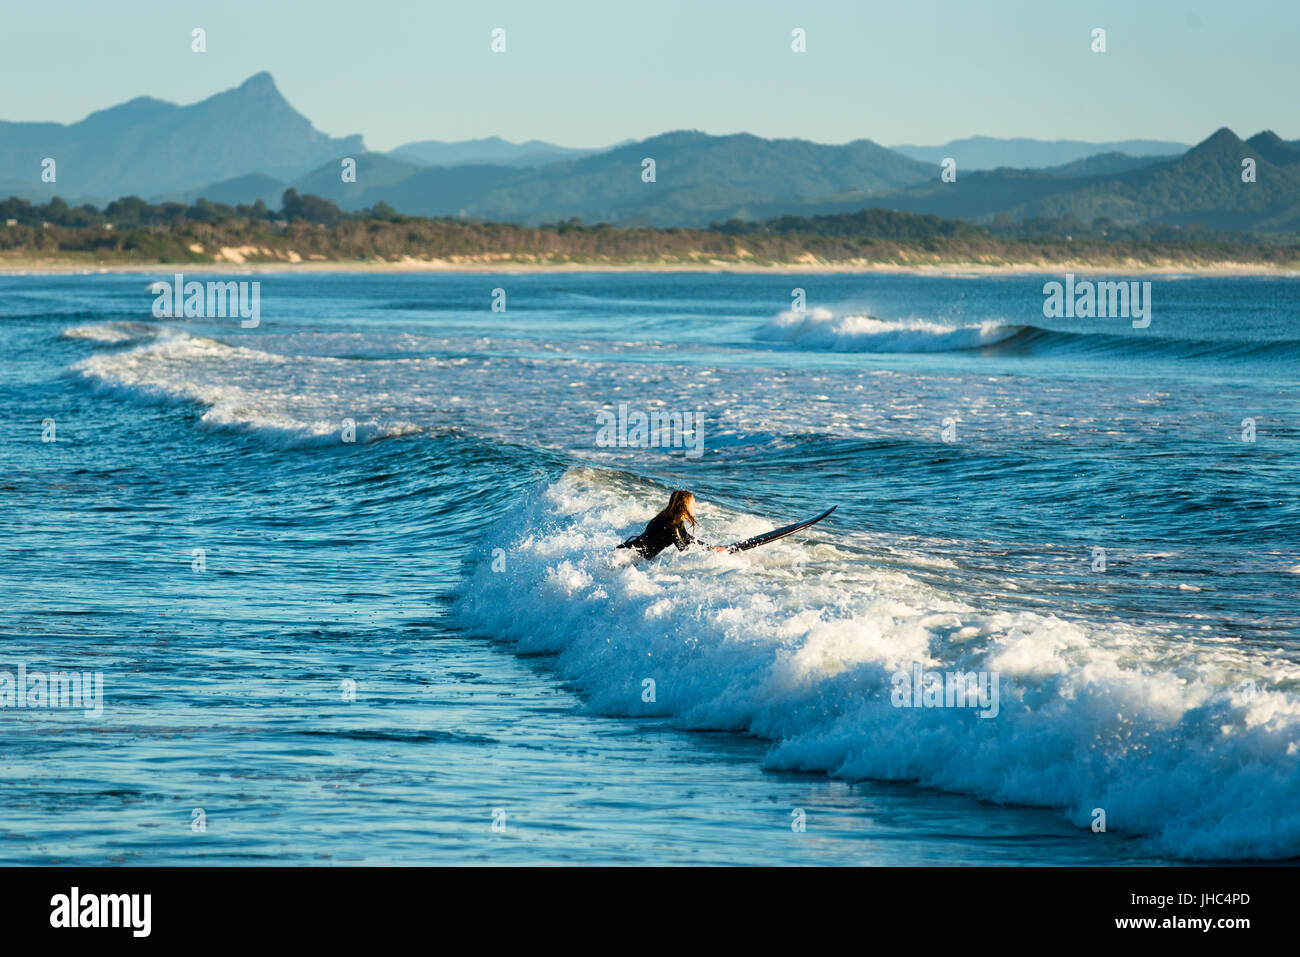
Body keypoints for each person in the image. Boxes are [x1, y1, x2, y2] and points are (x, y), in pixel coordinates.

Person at [617, 490, 726, 560]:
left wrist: (711, 548)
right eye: (693, 503)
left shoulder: (671, 519)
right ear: (683, 506)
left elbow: (688, 538)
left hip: (628, 554)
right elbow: (684, 550)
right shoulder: (671, 524)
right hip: (627, 557)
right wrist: (710, 555)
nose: (696, 506)